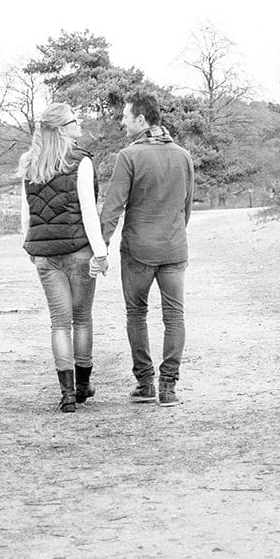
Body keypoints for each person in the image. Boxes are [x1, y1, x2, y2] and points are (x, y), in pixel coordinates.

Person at [99, 91, 195, 407]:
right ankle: (168, 388)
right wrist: (174, 233)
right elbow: (186, 206)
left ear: (141, 120)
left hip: (138, 250)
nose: (122, 121)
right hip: (173, 248)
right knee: (174, 316)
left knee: (136, 314)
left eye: (126, 116)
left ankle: (146, 383)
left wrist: (101, 245)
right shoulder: (183, 155)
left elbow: (112, 207)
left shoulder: (128, 156)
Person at [18, 102, 110, 413]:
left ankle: (67, 394)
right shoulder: (80, 162)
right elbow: (89, 212)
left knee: (59, 323)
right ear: (62, 129)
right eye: (74, 121)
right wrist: (101, 252)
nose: (79, 124)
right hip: (78, 252)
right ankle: (83, 386)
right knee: (81, 319)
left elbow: (27, 213)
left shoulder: (30, 163)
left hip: (45, 255)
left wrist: (29, 247)